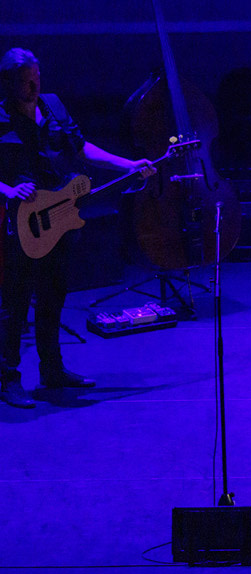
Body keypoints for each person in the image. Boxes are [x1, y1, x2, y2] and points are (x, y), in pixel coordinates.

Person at [0, 48, 155, 409]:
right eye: (24, 82)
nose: (32, 86)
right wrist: (8, 190)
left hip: (60, 218)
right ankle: (7, 378)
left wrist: (128, 165)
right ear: (8, 83)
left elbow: (81, 149)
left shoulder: (52, 106)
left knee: (53, 295)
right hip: (22, 224)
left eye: (35, 78)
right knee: (17, 302)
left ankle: (52, 370)